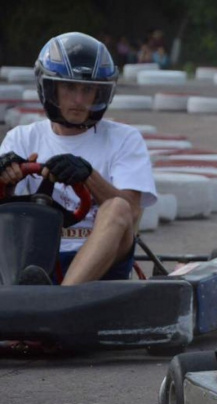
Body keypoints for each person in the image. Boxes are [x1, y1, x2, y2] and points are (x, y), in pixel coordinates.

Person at [0, 32, 157, 286]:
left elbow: (132, 213)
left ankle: (62, 299)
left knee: (117, 207)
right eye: (70, 87)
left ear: (100, 93)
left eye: (88, 90)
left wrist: (88, 175)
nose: (79, 100)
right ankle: (39, 293)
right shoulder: (21, 138)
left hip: (105, 261)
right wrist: (6, 179)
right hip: (28, 259)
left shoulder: (124, 139)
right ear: (50, 87)